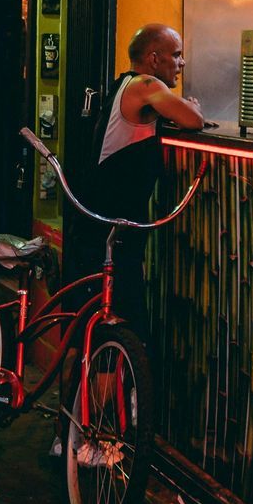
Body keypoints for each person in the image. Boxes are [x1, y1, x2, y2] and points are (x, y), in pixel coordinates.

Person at [62, 23, 206, 336]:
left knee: (90, 327)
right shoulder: (145, 84)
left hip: (103, 223)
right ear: (154, 59)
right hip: (108, 230)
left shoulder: (123, 85)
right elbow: (192, 120)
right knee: (114, 324)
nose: (181, 63)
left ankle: (80, 384)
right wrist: (192, 106)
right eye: (176, 55)